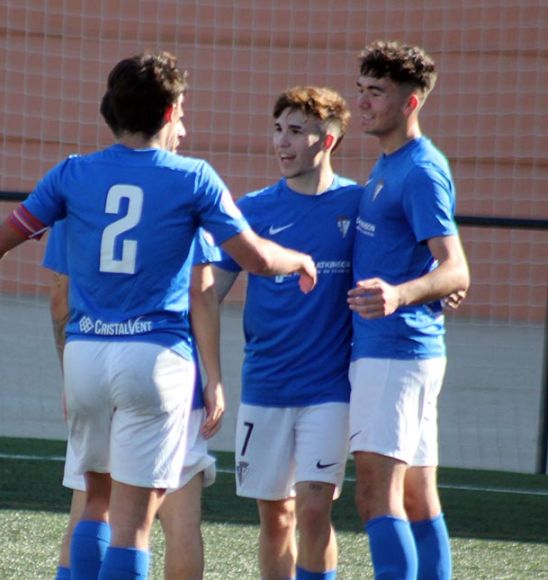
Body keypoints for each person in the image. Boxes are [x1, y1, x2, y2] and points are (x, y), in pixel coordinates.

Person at [0, 51, 316, 579]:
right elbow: (255, 259)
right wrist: (299, 260)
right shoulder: (193, 177)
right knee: (134, 527)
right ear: (170, 113)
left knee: (92, 501)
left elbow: (1, 235)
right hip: (153, 358)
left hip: (85, 354)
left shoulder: (72, 173)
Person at [213, 86, 361, 579]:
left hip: (330, 389)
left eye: (296, 131)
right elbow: (208, 290)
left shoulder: (358, 205)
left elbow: (402, 260)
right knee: (275, 517)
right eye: (278, 129)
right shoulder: (251, 210)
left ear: (329, 140)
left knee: (315, 508)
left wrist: (437, 289)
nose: (282, 141)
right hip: (266, 384)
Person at [347, 40, 470, 579]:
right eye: (361, 90)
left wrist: (400, 293)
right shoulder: (388, 163)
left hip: (395, 352)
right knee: (417, 498)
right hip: (404, 353)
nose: (364, 103)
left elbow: (455, 269)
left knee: (376, 498)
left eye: (376, 92)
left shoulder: (421, 170)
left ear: (411, 102)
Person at [47, 217, 222, 579]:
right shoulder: (187, 189)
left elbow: (59, 300)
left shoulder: (77, 191)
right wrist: (214, 377)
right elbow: (201, 292)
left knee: (89, 505)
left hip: (91, 365)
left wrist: (71, 379)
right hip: (161, 373)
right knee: (177, 522)